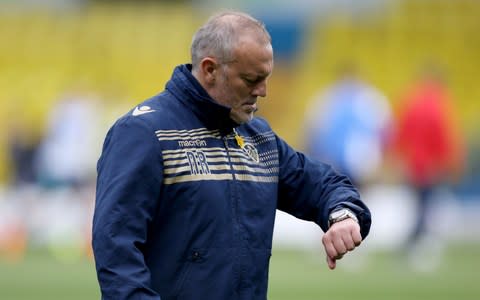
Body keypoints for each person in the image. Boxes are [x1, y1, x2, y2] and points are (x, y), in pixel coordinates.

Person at [92, 11, 371, 300]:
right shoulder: (145, 133)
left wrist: (344, 215)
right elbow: (116, 246)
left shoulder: (258, 137)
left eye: (266, 78)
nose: (263, 91)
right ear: (210, 69)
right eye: (252, 79)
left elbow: (321, 183)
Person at [392, 64, 465, 257]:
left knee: (419, 206)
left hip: (413, 164)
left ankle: (414, 244)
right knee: (426, 206)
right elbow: (446, 138)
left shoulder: (412, 101)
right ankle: (416, 246)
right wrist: (452, 165)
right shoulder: (440, 104)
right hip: (431, 165)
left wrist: (398, 159)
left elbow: (400, 133)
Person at [304, 63, 392, 189]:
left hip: (353, 164)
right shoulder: (371, 99)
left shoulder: (326, 98)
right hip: (352, 164)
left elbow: (312, 131)